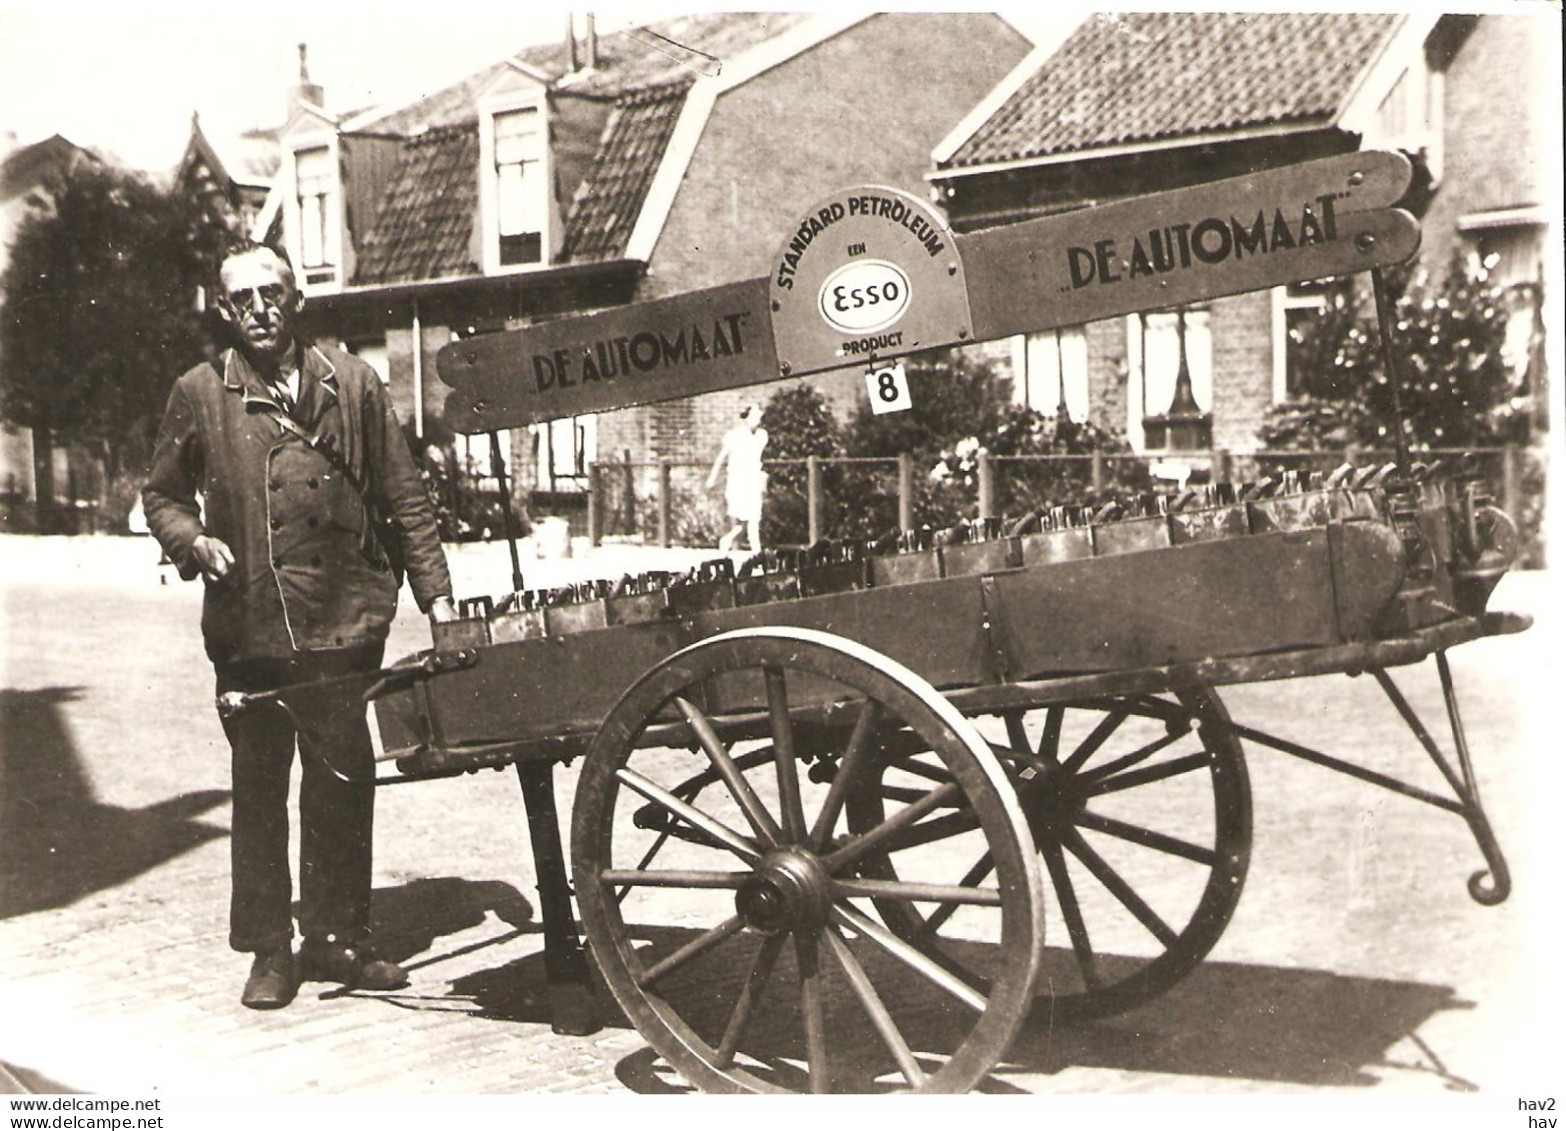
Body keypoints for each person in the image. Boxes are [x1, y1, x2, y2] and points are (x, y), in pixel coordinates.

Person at [144, 238, 458, 1010]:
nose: (258, 309)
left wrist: (440, 603)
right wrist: (192, 540)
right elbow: (161, 495)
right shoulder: (198, 392)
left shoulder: (351, 384)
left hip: (347, 620)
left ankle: (338, 936)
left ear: (297, 298)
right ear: (224, 310)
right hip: (251, 624)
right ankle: (270, 949)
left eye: (271, 293)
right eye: (241, 298)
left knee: (343, 786)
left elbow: (406, 495)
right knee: (258, 791)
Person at [706, 404, 768, 552]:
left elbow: (759, 459)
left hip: (753, 481)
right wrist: (712, 478)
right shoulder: (734, 435)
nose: (758, 419)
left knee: (754, 520)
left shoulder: (762, 436)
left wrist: (762, 478)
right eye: (754, 415)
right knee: (743, 523)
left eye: (759, 416)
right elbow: (721, 458)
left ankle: (756, 553)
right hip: (738, 482)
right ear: (746, 418)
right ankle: (729, 541)